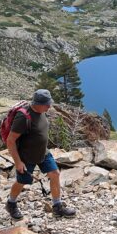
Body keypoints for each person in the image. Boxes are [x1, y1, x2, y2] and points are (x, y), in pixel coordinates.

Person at [5, 89, 77, 220]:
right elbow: (10, 140)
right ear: (37, 103)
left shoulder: (42, 110)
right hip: (27, 156)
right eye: (46, 104)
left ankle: (57, 207)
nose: (49, 106)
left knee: (55, 174)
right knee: (22, 182)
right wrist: (18, 162)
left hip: (43, 152)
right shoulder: (23, 117)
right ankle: (11, 203)